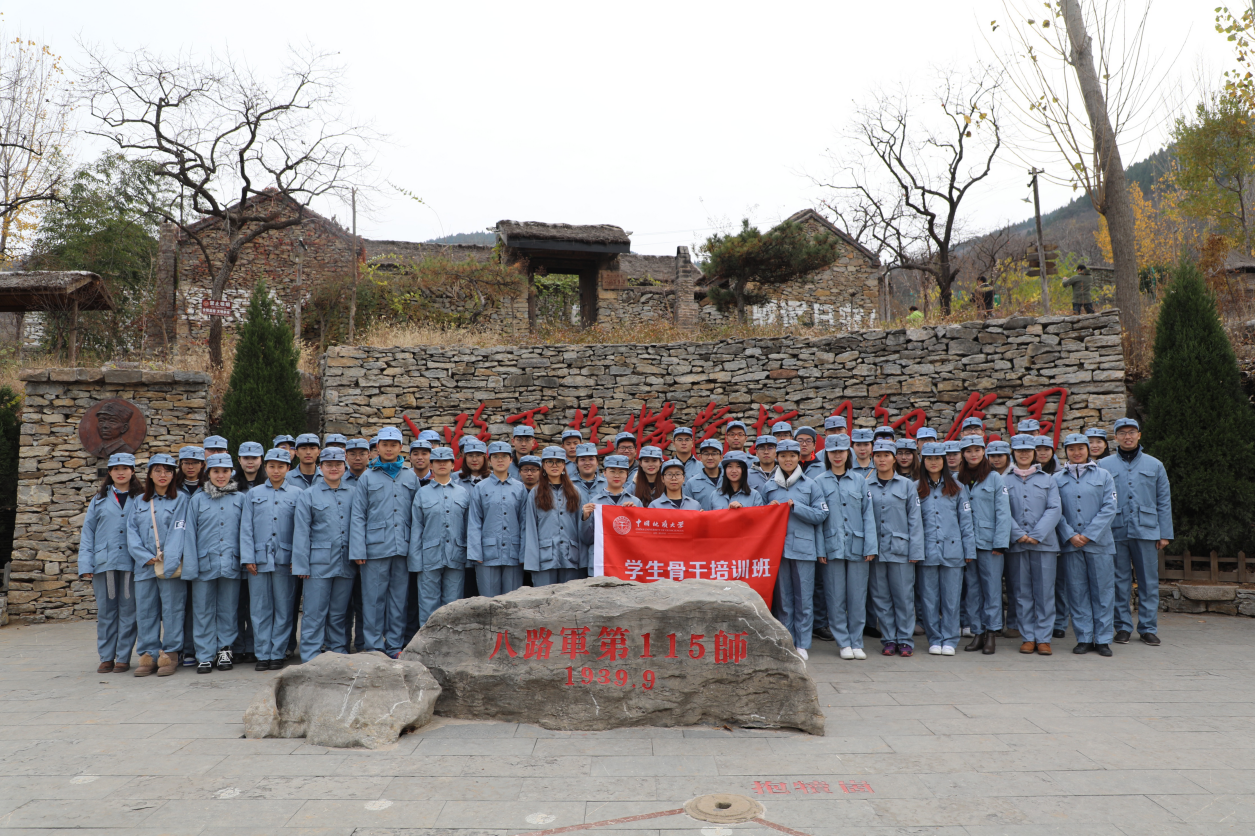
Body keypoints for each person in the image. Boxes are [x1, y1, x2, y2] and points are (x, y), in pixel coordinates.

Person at [1099, 418, 1172, 646]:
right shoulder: (1103, 465)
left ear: (1139, 435)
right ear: (1115, 437)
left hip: (1147, 530)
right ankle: (1122, 627)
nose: (1127, 437)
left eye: (1131, 432)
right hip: (1115, 530)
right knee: (1118, 581)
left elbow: (1163, 500)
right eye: (1122, 433)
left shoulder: (1155, 465)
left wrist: (1165, 533)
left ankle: (1148, 628)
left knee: (1148, 582)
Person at [350, 426, 420, 658]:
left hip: (403, 547)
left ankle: (394, 646)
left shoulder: (410, 476)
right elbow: (358, 515)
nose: (389, 449)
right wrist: (358, 549)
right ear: (377, 447)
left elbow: (418, 516)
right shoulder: (367, 477)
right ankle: (373, 646)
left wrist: (415, 549)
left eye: (393, 445)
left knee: (399, 600)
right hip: (374, 549)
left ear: (401, 448)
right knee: (373, 600)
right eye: (385, 445)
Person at [758, 439, 827, 661]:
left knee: (804, 599)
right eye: (783, 456)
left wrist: (797, 507)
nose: (788, 460)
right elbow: (759, 517)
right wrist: (768, 511)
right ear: (777, 458)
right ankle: (787, 641)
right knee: (784, 600)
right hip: (778, 550)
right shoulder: (769, 487)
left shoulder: (811, 485)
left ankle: (803, 643)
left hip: (804, 549)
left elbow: (821, 514)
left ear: (799, 458)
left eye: (792, 456)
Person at [1055, 433, 1119, 657]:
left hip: (1099, 543)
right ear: (1066, 452)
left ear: (1088, 449)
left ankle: (1102, 639)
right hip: (1071, 544)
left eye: (1080, 448)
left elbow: (1110, 507)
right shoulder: (1057, 479)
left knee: (1103, 592)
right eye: (1071, 449)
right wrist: (1070, 534)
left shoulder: (1104, 475)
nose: (1076, 453)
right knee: (1076, 591)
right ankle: (1083, 637)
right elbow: (1055, 510)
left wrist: (1089, 534)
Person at [815, 435, 877, 660]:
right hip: (831, 546)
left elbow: (868, 513)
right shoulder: (819, 481)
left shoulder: (859, 480)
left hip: (858, 546)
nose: (837, 455)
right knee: (835, 597)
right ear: (827, 455)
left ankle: (856, 641)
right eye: (833, 452)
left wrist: (870, 545)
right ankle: (843, 642)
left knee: (857, 596)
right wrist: (820, 549)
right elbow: (818, 519)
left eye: (841, 451)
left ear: (848, 453)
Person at [182, 453, 245, 674]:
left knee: (228, 609)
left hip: (231, 562)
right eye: (216, 471)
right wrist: (191, 567)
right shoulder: (197, 500)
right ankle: (204, 654)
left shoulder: (240, 499)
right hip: (203, 565)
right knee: (202, 610)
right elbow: (189, 535)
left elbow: (246, 532)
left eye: (225, 471)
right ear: (208, 473)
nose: (220, 476)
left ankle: (224, 650)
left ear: (231, 473)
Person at [80, 452, 143, 673]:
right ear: (109, 472)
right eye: (116, 469)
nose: (121, 472)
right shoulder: (99, 500)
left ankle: (123, 657)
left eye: (125, 468)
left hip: (131, 563)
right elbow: (88, 532)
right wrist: (85, 564)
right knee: (106, 612)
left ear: (132, 471)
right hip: (104, 562)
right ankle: (106, 657)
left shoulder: (142, 498)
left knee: (129, 611)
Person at [239, 448, 301, 671]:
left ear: (288, 468)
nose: (276, 471)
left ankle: (278, 653)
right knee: (259, 609)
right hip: (258, 560)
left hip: (285, 559)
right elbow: (246, 527)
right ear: (265, 467)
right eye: (272, 466)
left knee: (284, 608)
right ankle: (263, 653)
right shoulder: (253, 494)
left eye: (281, 466)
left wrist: (297, 558)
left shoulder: (297, 494)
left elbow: (301, 529)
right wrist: (248, 557)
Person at [292, 447, 355, 663]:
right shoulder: (308, 495)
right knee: (314, 612)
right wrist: (301, 565)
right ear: (321, 467)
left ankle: (337, 652)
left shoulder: (354, 493)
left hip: (346, 562)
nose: (334, 468)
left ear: (344, 467)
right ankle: (311, 655)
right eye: (329, 465)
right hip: (317, 564)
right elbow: (302, 531)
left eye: (338, 465)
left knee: (339, 612)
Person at [128, 453, 189, 677]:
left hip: (169, 566)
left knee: (173, 609)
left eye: (168, 471)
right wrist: (144, 555)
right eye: (158, 471)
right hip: (144, 566)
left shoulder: (181, 499)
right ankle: (149, 654)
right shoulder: (139, 501)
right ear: (150, 475)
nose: (163, 475)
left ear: (173, 475)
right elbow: (131, 531)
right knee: (146, 611)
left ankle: (171, 654)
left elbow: (179, 531)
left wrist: (169, 560)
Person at [916, 442, 976, 656]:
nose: (933, 462)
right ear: (923, 461)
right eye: (929, 459)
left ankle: (950, 639)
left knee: (951, 599)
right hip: (926, 552)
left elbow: (966, 521)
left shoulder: (957, 488)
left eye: (937, 458)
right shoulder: (915, 488)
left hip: (953, 551)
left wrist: (969, 551)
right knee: (929, 599)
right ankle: (934, 638)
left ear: (943, 461)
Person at [1005, 435, 1063, 655]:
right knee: (1022, 593)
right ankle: (1028, 637)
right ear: (1013, 453)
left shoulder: (1048, 480)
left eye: (1028, 451)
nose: (1024, 454)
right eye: (1019, 451)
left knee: (1045, 592)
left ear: (1034, 453)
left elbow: (1054, 508)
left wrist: (1037, 534)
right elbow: (1002, 510)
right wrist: (1018, 534)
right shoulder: (1004, 480)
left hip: (1044, 543)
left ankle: (1044, 638)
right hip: (1017, 544)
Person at [866, 439, 924, 657]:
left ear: (894, 459)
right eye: (878, 455)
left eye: (886, 455)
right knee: (881, 597)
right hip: (876, 550)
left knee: (903, 597)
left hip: (901, 550)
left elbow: (915, 519)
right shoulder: (866, 485)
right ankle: (889, 639)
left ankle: (905, 640)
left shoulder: (907, 485)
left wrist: (915, 550)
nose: (882, 459)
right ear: (873, 458)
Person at [957, 436, 1010, 654]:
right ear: (963, 454)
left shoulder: (994, 478)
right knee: (972, 591)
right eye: (968, 451)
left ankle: (991, 633)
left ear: (983, 451)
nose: (973, 454)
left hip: (990, 544)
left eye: (977, 450)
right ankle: (977, 632)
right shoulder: (957, 479)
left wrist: (1000, 543)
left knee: (992, 589)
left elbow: (1003, 512)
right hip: (967, 544)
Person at [410, 447, 470, 626]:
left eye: (446, 461)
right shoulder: (422, 493)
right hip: (429, 557)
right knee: (428, 604)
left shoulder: (463, 493)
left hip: (456, 556)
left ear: (453, 465)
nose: (442, 464)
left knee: (453, 605)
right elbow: (416, 528)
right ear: (431, 465)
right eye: (437, 461)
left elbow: (468, 527)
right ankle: (426, 641)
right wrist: (415, 561)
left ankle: (451, 641)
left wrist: (469, 557)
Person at [468, 441, 528, 598]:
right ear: (489, 460)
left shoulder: (520, 488)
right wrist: (476, 553)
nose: (500, 460)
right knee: (488, 601)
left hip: (513, 553)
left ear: (511, 460)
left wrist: (523, 553)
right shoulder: (480, 487)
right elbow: (474, 521)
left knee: (513, 601)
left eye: (504, 456)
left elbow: (524, 523)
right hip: (487, 553)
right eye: (495, 457)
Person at [524, 446, 585, 585]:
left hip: (571, 557)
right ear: (543, 465)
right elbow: (531, 528)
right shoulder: (535, 493)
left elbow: (580, 527)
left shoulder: (575, 492)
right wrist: (532, 562)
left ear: (564, 465)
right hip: (544, 558)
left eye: (558, 462)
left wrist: (582, 560)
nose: (554, 465)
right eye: (550, 462)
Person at [687, 438, 724, 509]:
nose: (710, 458)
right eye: (706, 454)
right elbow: (688, 509)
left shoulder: (730, 480)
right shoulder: (691, 483)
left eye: (714, 454)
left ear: (721, 457)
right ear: (700, 457)